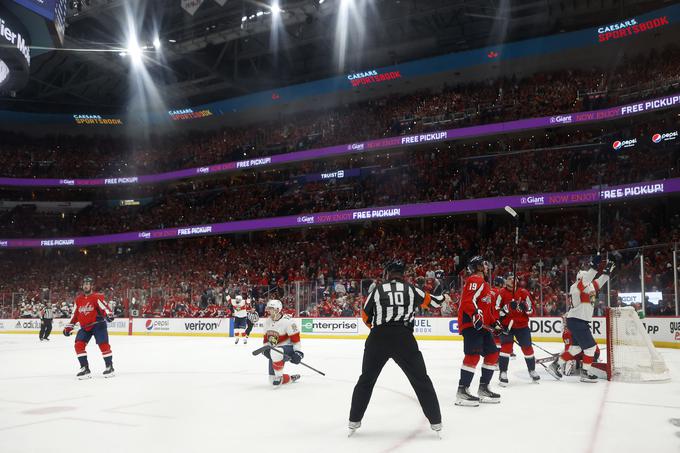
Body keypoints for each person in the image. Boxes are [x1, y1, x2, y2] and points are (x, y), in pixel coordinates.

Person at [348, 260, 448, 437]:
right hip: (404, 338)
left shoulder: (377, 290)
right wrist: (442, 292)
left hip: (378, 337)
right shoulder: (411, 289)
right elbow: (435, 303)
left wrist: (378, 330)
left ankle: (354, 420)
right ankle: (436, 421)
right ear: (403, 274)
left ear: (387, 274)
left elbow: (365, 315)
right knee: (421, 379)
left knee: (366, 380)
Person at [548, 257, 614, 382]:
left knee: (576, 348)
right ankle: (585, 373)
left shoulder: (589, 286)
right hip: (577, 320)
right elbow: (588, 279)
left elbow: (599, 281)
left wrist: (606, 273)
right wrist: (594, 267)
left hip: (578, 320)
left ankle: (555, 365)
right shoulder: (576, 287)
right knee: (590, 348)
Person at [456, 256, 502, 406]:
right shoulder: (475, 279)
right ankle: (462, 391)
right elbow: (468, 301)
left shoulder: (485, 285)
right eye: (485, 264)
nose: (487, 267)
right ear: (478, 267)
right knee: (473, 355)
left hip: (482, 326)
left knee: (492, 353)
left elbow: (486, 309)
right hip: (471, 324)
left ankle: (483, 388)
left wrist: (494, 323)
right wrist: (476, 315)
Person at [63, 276, 115, 379]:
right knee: (78, 345)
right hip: (84, 327)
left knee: (103, 344)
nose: (86, 286)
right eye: (84, 284)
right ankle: (85, 368)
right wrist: (69, 327)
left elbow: (104, 308)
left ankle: (109, 367)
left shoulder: (97, 297)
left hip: (98, 325)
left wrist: (108, 314)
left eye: (88, 284)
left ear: (91, 286)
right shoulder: (78, 299)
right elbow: (75, 315)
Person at [496, 275, 539, 386]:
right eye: (509, 278)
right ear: (506, 282)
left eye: (514, 278)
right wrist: (507, 308)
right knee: (506, 348)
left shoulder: (524, 292)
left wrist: (526, 307)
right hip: (507, 326)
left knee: (527, 348)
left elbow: (532, 311)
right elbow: (495, 311)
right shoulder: (501, 293)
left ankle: (531, 370)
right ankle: (503, 372)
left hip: (522, 326)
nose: (512, 280)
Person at [262, 299, 303, 387]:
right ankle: (291, 378)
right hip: (275, 351)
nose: (268, 310)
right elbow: (266, 339)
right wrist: (265, 349)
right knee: (271, 380)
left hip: (288, 349)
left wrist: (298, 353)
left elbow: (296, 339)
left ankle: (279, 376)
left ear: (277, 309)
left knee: (275, 352)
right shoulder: (267, 322)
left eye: (270, 308)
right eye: (268, 308)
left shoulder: (288, 321)